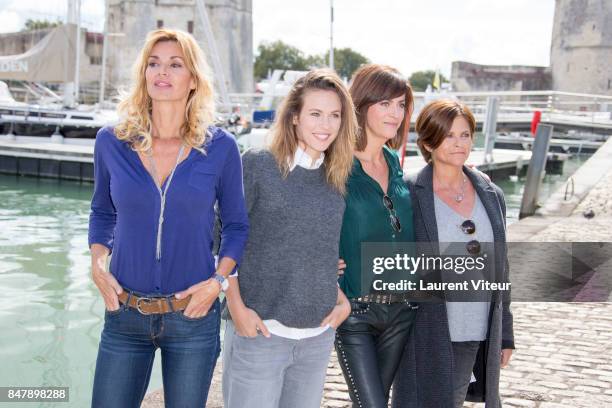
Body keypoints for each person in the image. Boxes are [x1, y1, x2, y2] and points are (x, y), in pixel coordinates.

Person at [88, 29, 248, 407]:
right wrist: (97, 264)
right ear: (144, 74)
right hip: (124, 312)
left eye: (175, 64)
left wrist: (218, 283)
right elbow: (102, 211)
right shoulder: (111, 142)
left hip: (193, 315)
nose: (163, 71)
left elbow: (237, 225)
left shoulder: (220, 148)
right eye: (154, 63)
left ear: (193, 80)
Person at [221, 69, 356, 408]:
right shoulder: (259, 165)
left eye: (334, 115)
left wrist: (341, 299)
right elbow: (219, 236)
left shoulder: (336, 179)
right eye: (315, 113)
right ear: (294, 116)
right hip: (261, 334)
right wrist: (236, 307)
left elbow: (315, 251)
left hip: (315, 340)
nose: (325, 124)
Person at [392, 99, 514, 408]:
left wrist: (505, 334)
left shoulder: (491, 194)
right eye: (448, 135)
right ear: (428, 142)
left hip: (474, 330)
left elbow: (501, 268)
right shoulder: (407, 194)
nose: (458, 144)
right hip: (424, 331)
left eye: (465, 135)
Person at [335, 64, 418, 408]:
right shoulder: (336, 165)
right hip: (355, 313)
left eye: (400, 105)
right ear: (362, 104)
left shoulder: (393, 161)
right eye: (385, 104)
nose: (395, 113)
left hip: (402, 309)